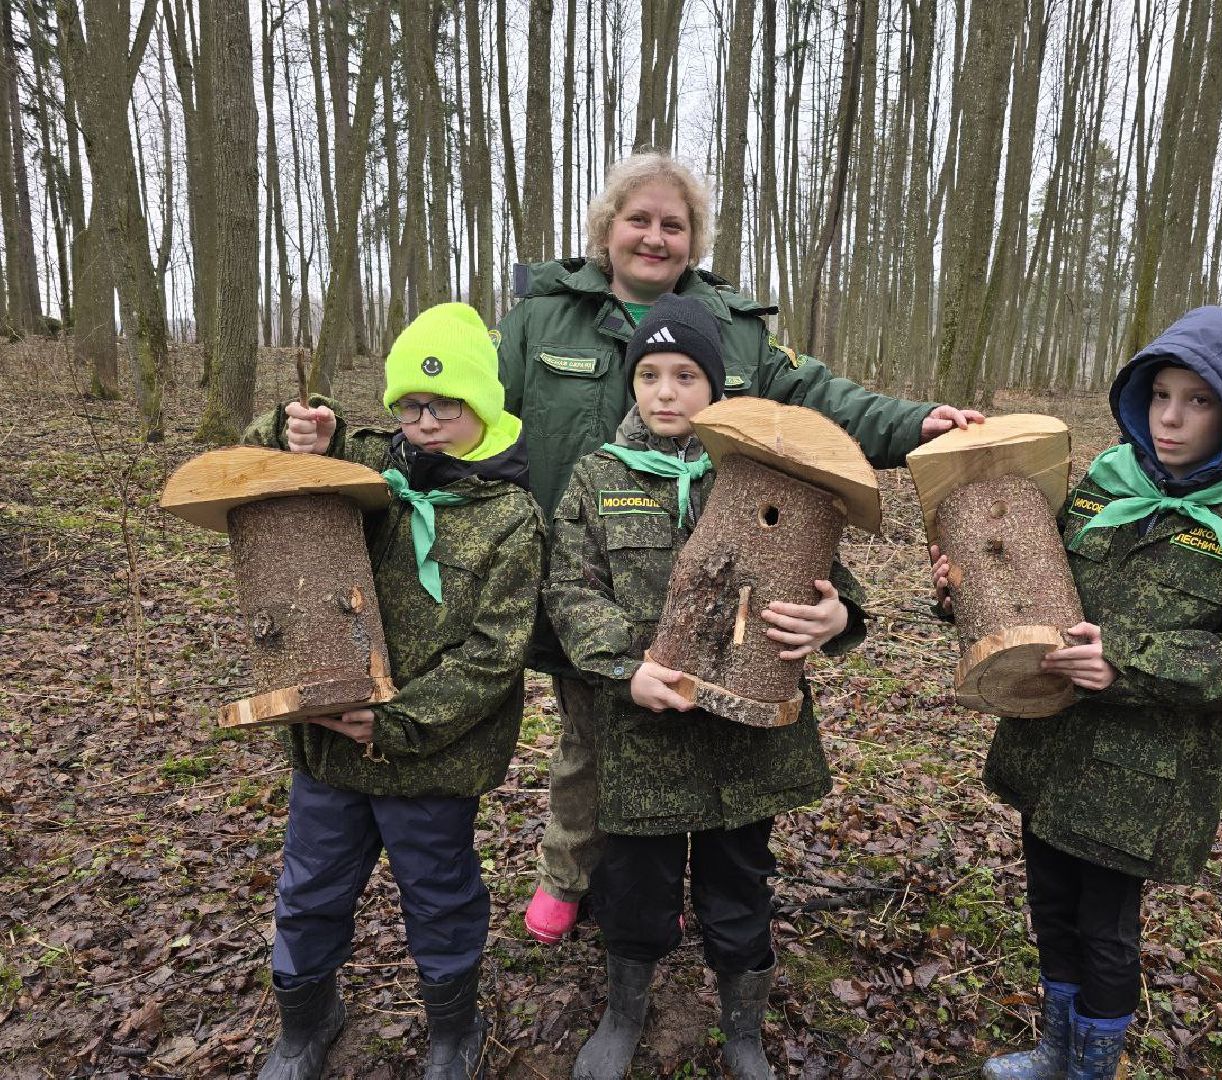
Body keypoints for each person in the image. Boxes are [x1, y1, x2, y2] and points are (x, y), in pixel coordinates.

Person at [496, 150, 984, 943]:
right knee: (589, 739)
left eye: (673, 225)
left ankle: (660, 886)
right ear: (606, 228)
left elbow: (824, 402)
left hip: (706, 576)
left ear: (694, 239)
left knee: (681, 729)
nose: (654, 237)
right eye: (639, 220)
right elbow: (473, 418)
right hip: (589, 575)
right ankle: (571, 873)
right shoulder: (541, 319)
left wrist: (916, 423)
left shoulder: (734, 329)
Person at [931, 307, 1222, 1080]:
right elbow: (1033, 587)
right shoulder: (1105, 488)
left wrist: (1129, 660)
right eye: (1161, 395)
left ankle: (1091, 1067)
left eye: (1199, 400)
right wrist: (966, 589)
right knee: (1050, 906)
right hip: (1051, 740)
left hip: (1144, 779)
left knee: (1106, 929)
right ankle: (1054, 1050)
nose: (1171, 418)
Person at [545, 295, 865, 1080]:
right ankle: (624, 1011)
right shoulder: (598, 477)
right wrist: (627, 668)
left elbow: (837, 586)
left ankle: (742, 1025)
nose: (665, 391)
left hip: (744, 743)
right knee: (635, 882)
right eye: (649, 375)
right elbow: (569, 589)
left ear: (716, 387)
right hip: (644, 731)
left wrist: (836, 618)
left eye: (686, 375)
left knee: (739, 880)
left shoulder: (765, 473)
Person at [243, 302, 545, 1080]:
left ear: (483, 403)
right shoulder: (366, 464)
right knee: (310, 889)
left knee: (439, 895)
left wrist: (399, 722)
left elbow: (493, 655)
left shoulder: (510, 516)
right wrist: (296, 433)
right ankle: (304, 1022)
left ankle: (453, 1029)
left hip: (431, 760)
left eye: (446, 404)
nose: (426, 420)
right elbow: (261, 470)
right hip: (329, 751)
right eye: (411, 404)